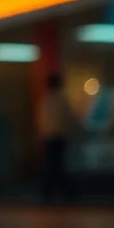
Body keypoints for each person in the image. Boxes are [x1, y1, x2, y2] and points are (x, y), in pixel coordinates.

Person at [39, 73, 76, 203]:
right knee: (57, 165)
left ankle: (49, 193)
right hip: (58, 137)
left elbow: (42, 120)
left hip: (49, 138)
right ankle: (64, 192)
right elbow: (69, 118)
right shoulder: (61, 100)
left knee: (52, 165)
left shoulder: (46, 100)